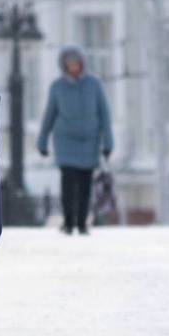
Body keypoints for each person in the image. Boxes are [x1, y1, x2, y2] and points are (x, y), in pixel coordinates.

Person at [36, 45, 114, 235]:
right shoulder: (57, 87)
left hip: (89, 142)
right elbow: (49, 115)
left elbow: (104, 114)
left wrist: (108, 143)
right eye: (69, 63)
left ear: (82, 63)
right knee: (68, 183)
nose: (73, 66)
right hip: (65, 142)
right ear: (64, 65)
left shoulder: (94, 84)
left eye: (76, 63)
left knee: (85, 184)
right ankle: (68, 222)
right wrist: (42, 142)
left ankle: (82, 223)